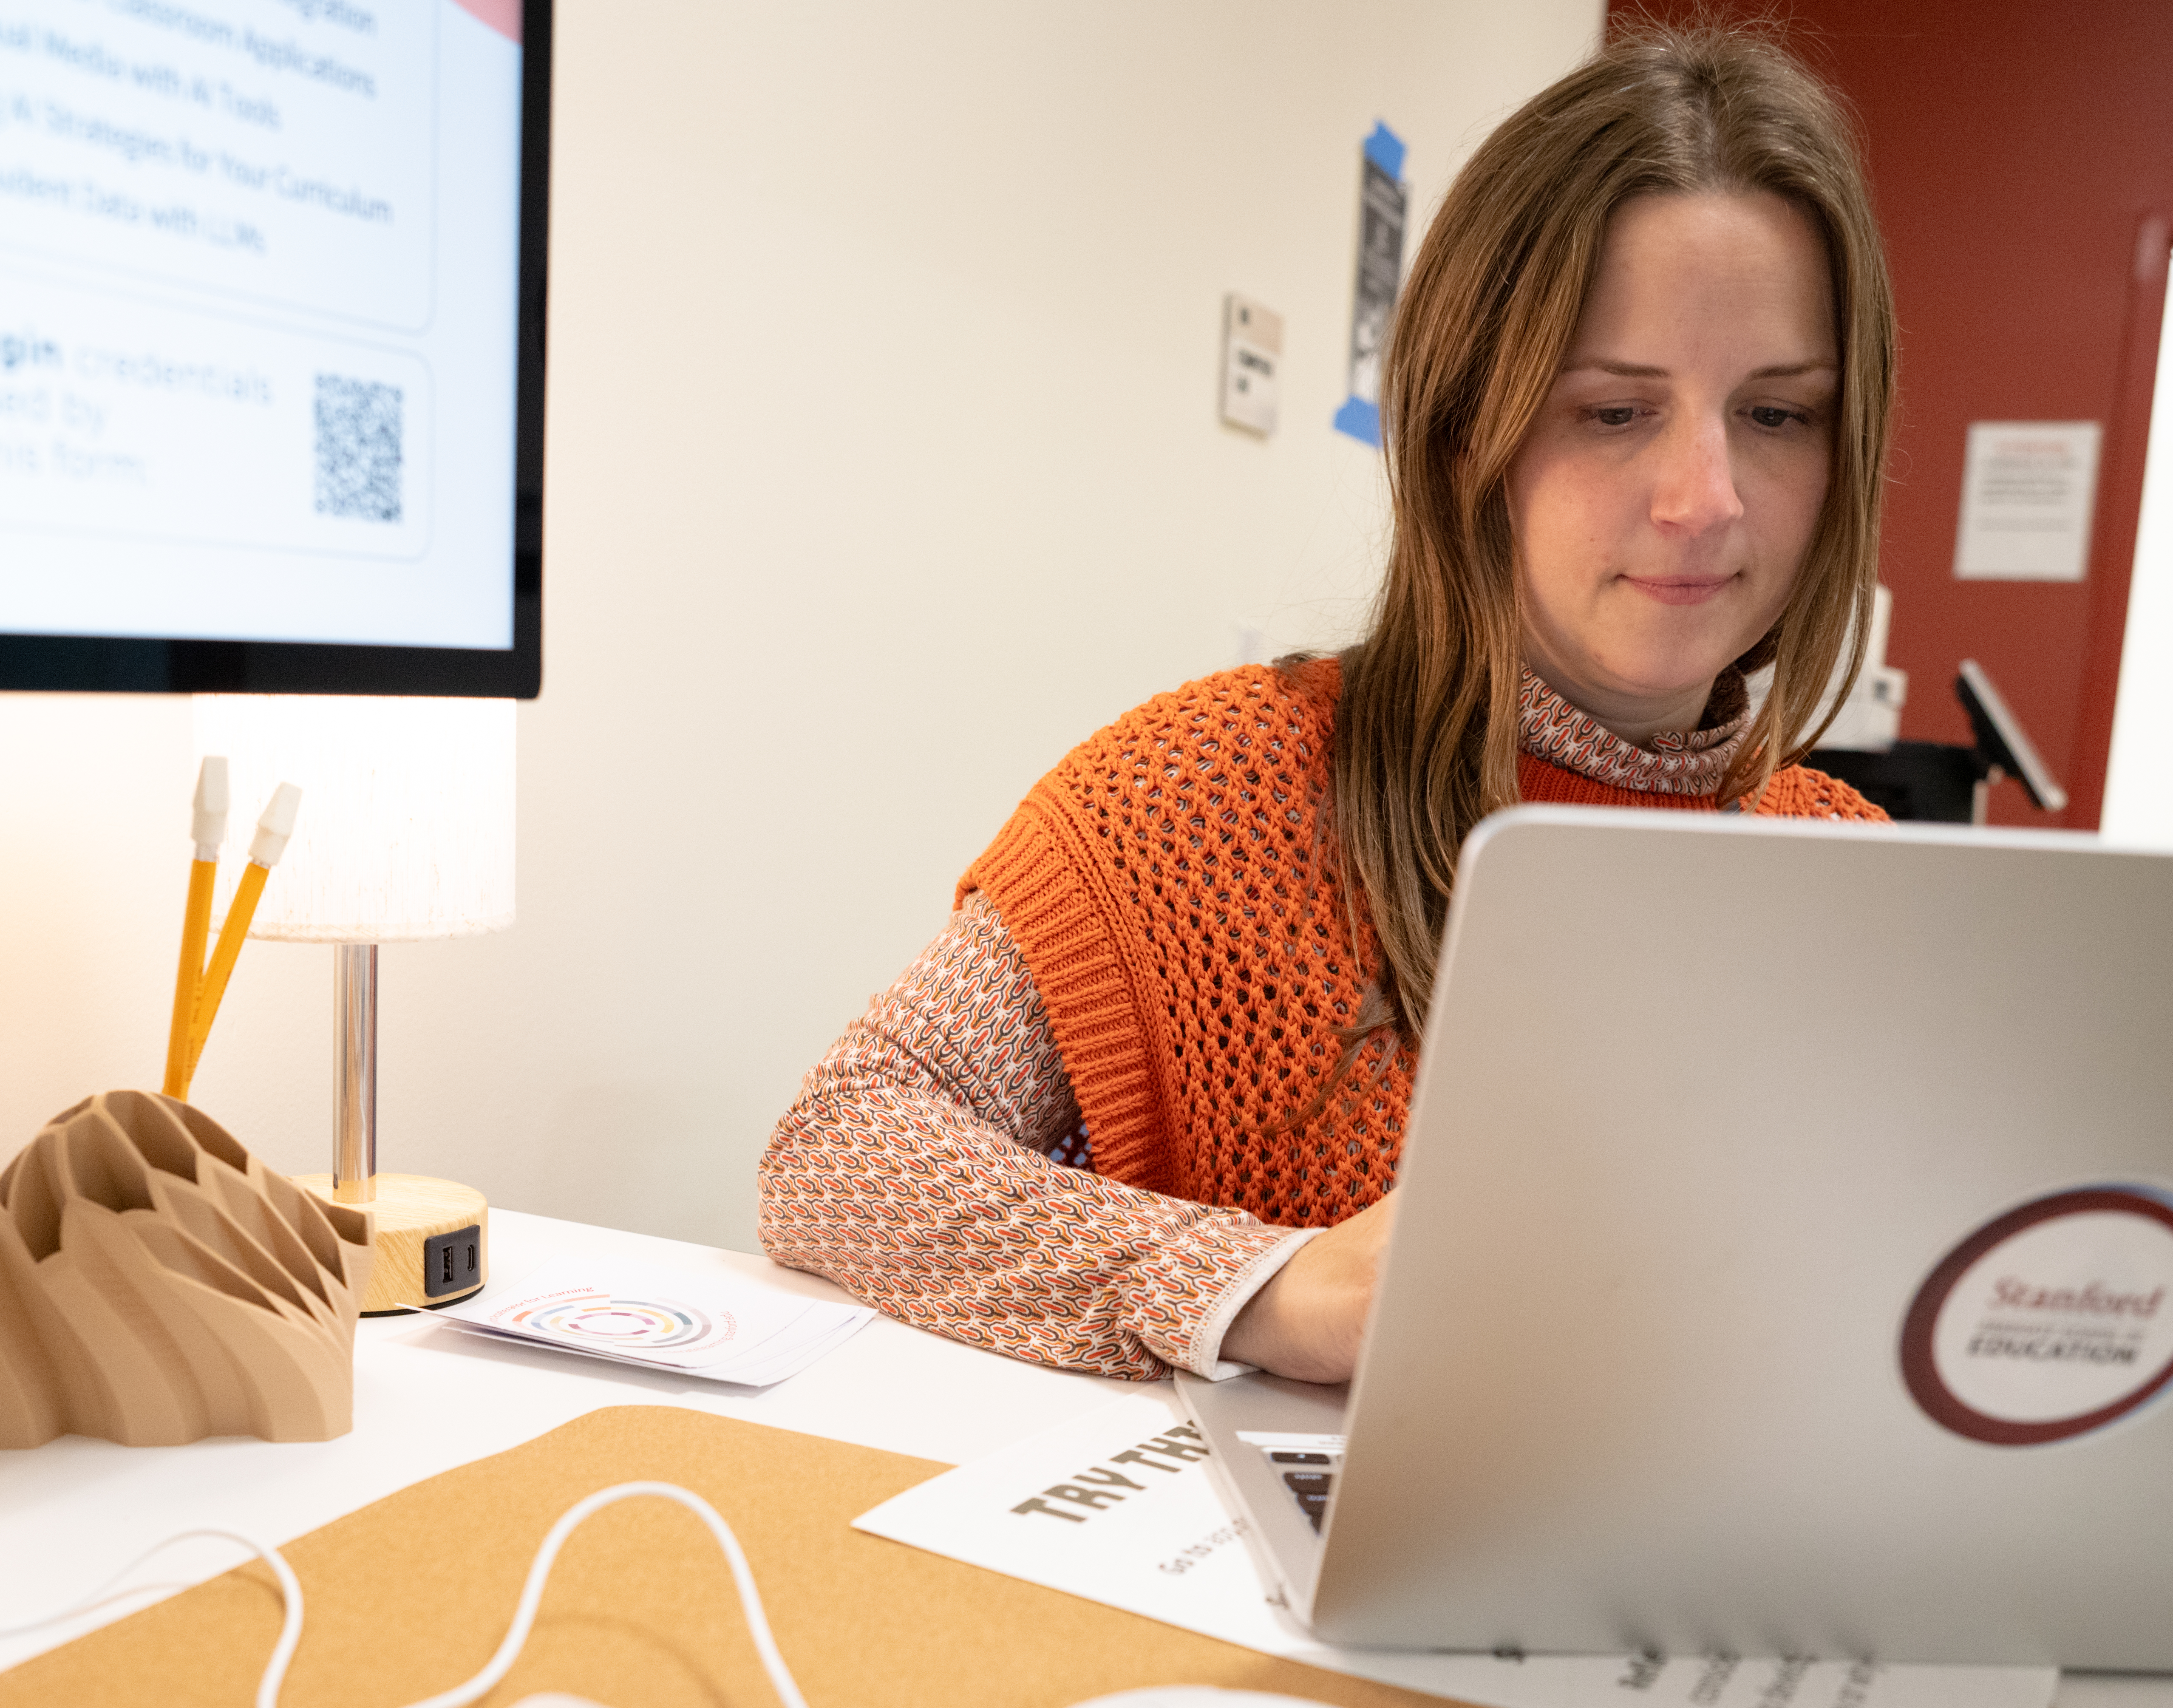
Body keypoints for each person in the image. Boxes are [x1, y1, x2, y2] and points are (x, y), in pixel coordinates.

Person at [758, 21, 1897, 1387]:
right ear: (1468, 426)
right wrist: (1260, 1288)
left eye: (1777, 416)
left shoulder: (1865, 879)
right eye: (1613, 411)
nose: (1705, 499)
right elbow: (839, 1152)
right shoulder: (1201, 791)